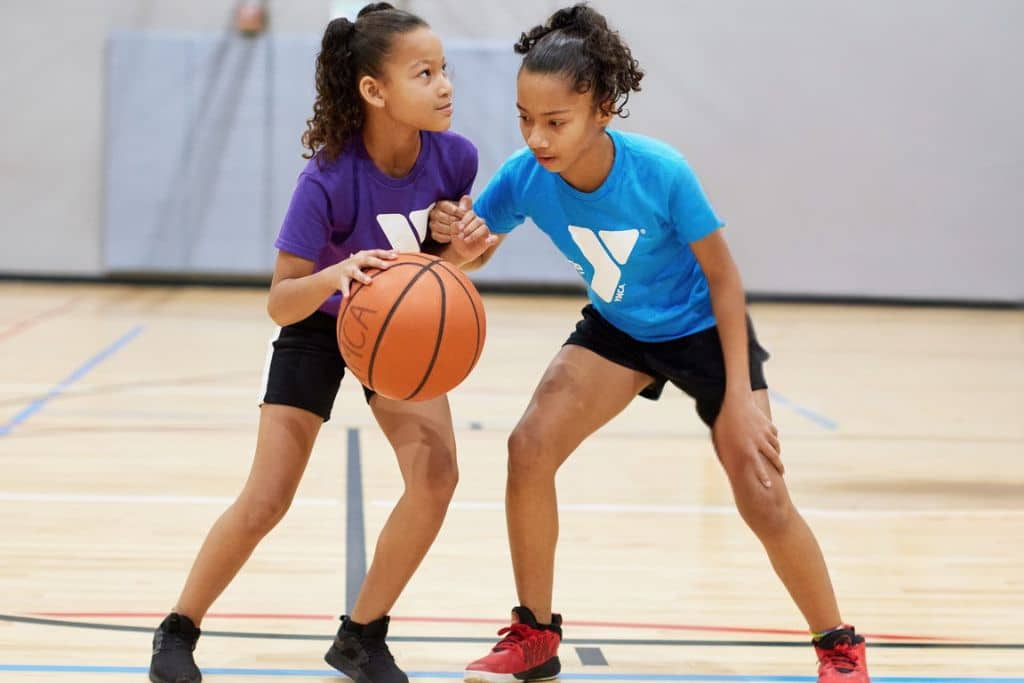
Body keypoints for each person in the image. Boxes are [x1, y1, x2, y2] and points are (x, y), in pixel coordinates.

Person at [428, 5, 870, 683]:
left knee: (761, 489)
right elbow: (470, 250)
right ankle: (535, 633)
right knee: (528, 447)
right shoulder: (523, 175)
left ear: (601, 108)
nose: (537, 137)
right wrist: (462, 249)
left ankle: (838, 643)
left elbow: (724, 279)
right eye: (525, 118)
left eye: (555, 121)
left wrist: (744, 400)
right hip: (620, 329)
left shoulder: (661, 171)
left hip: (702, 327)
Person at [148, 4, 494, 683]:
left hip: (396, 327)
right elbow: (280, 298)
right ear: (374, 91)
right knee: (267, 497)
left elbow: (444, 267)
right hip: (318, 321)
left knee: (437, 475)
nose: (446, 85)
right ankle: (177, 628)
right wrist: (336, 272)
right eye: (425, 73)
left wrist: (465, 249)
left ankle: (362, 635)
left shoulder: (456, 158)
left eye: (445, 69)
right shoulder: (328, 176)